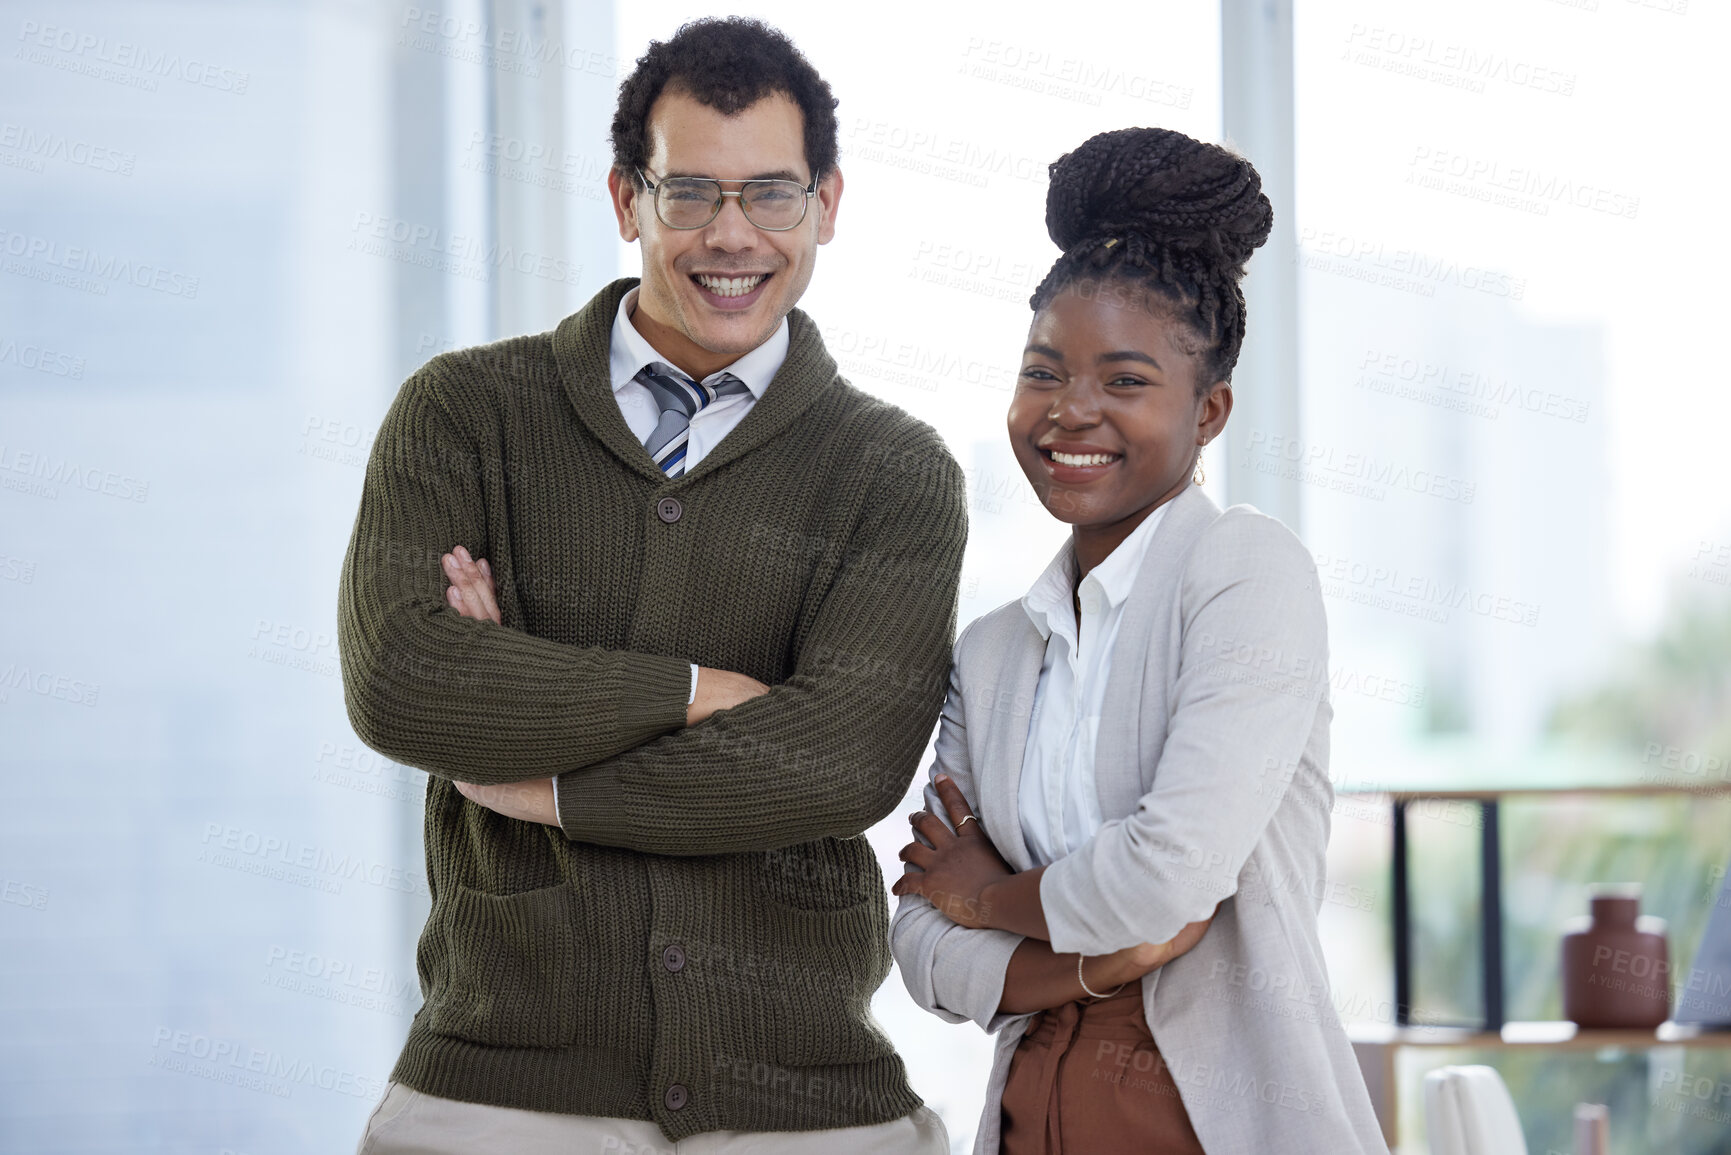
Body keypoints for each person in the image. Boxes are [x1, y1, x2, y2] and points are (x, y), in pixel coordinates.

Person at [338, 18, 959, 1154]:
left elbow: (844, 760)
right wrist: (701, 692)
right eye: (690, 195)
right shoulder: (464, 417)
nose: (732, 236)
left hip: (803, 1092)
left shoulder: (893, 470)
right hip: (503, 1080)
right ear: (628, 199)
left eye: (772, 193)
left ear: (828, 203)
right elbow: (407, 683)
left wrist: (539, 771)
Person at [888, 126, 1387, 1153]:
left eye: (1125, 381)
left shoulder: (1246, 575)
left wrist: (991, 896)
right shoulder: (991, 652)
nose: (1072, 412)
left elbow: (1168, 875)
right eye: (1044, 372)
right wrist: (1086, 962)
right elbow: (920, 944)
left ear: (1209, 413)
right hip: (1035, 1122)